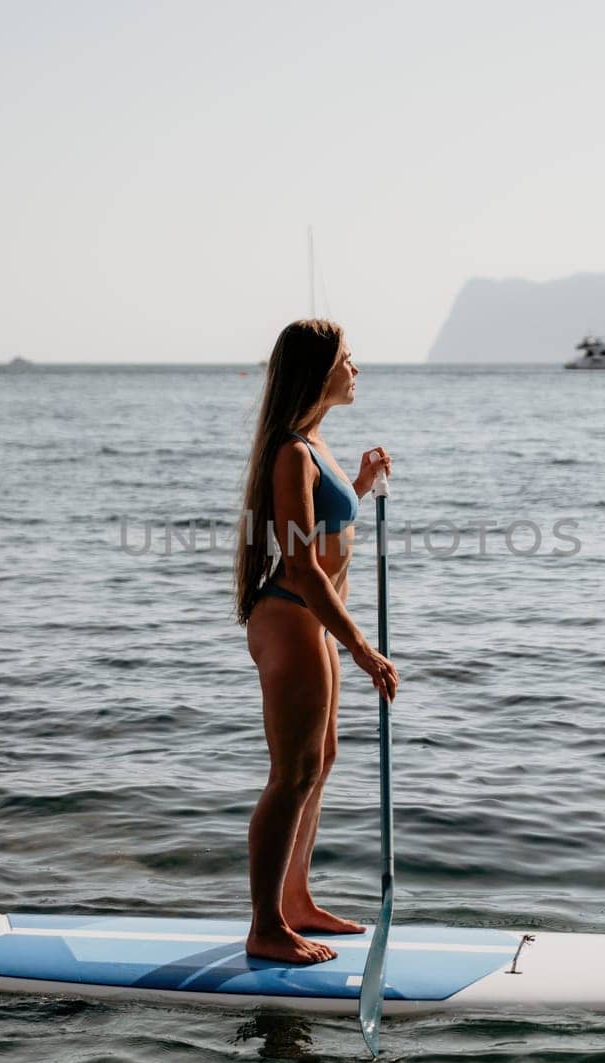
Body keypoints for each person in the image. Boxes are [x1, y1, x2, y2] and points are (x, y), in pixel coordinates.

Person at [234, 319, 398, 965]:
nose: (356, 370)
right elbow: (302, 564)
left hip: (312, 620)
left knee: (318, 762)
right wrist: (360, 645)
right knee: (292, 773)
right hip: (293, 616)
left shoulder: (314, 444)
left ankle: (297, 901)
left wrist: (356, 485)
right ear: (319, 368)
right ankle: (266, 924)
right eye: (348, 360)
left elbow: (323, 529)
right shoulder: (292, 452)